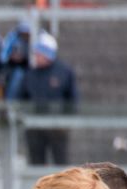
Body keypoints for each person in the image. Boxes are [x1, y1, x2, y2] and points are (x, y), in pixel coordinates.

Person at [21, 33, 77, 165]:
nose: (36, 56)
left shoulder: (64, 72)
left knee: (61, 162)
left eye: (39, 53)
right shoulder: (30, 74)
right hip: (34, 127)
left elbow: (73, 99)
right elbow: (22, 98)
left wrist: (66, 121)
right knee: (36, 162)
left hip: (57, 127)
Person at [0, 20, 32, 102]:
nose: (25, 35)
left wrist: (25, 58)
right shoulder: (12, 37)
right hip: (13, 68)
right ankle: (10, 104)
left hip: (33, 69)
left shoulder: (37, 37)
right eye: (23, 32)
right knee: (18, 75)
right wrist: (12, 57)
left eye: (27, 33)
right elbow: (2, 57)